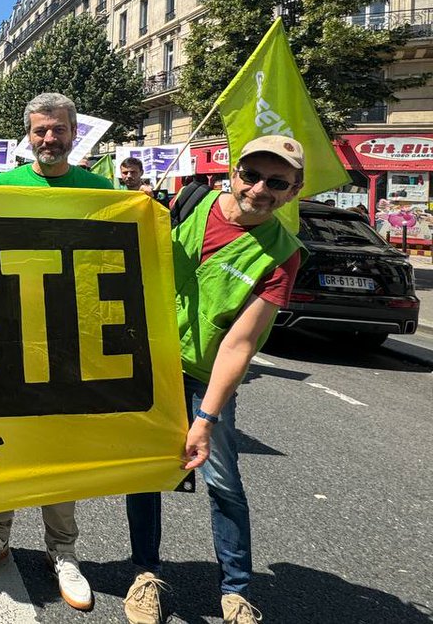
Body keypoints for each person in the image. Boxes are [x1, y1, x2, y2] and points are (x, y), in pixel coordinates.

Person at [122, 135, 305, 624]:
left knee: (222, 480)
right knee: (146, 474)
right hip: (150, 363)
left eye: (277, 182)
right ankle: (145, 574)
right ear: (233, 171)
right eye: (252, 175)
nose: (259, 189)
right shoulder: (187, 204)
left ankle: (235, 591)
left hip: (204, 376)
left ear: (293, 191)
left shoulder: (283, 253)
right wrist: (137, 211)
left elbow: (239, 345)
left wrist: (204, 419)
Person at [0, 92, 114, 612]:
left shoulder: (101, 190)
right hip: (8, 337)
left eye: (59, 129)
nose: (50, 138)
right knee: (5, 441)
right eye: (40, 130)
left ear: (74, 133)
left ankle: (63, 551)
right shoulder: (3, 186)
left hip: (71, 340)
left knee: (59, 446)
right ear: (28, 135)